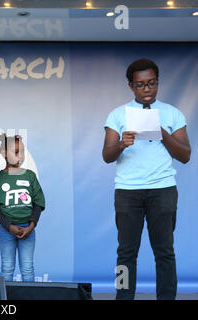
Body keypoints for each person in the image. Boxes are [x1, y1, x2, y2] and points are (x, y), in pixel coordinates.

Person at [102, 58, 191, 300]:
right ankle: (123, 297)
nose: (147, 89)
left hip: (162, 189)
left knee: (164, 252)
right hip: (127, 191)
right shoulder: (118, 115)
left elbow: (185, 155)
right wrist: (122, 143)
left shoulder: (172, 113)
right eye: (140, 85)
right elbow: (107, 156)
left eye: (151, 83)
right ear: (131, 86)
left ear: (157, 82)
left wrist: (162, 132)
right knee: (126, 253)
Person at [0, 135, 45, 282]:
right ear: (3, 153)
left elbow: (38, 203)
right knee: (7, 268)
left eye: (23, 152)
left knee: (27, 268)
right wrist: (9, 226)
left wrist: (31, 226)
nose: (20, 156)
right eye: (16, 152)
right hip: (7, 231)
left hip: (28, 229)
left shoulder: (30, 176)